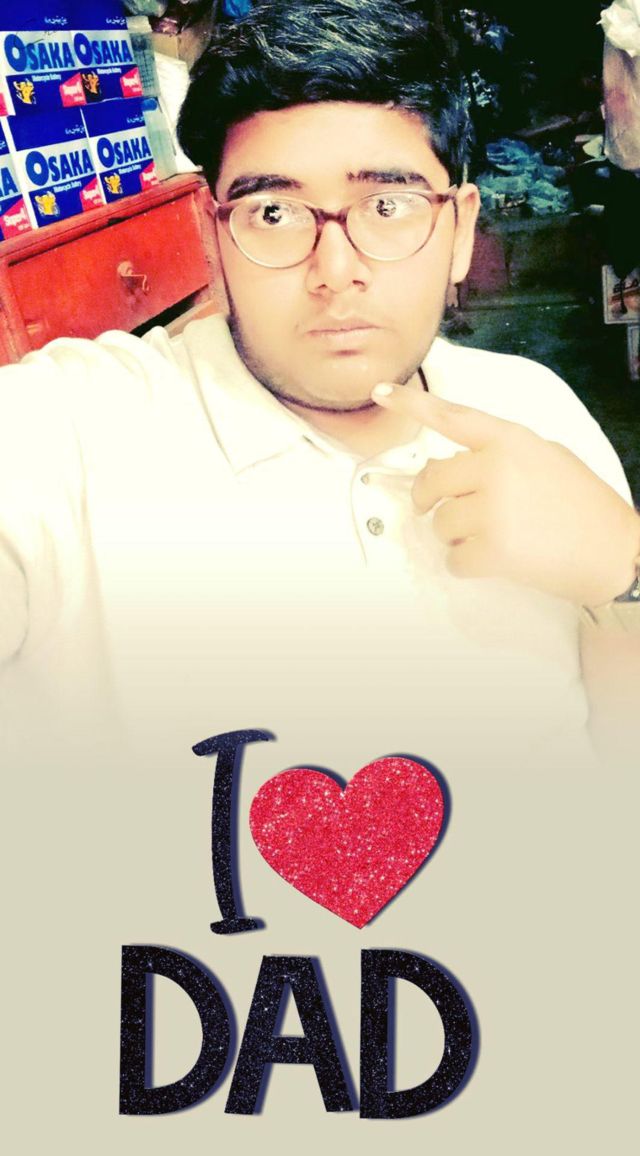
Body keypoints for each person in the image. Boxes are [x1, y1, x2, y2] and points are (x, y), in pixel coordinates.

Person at [0, 0, 638, 771]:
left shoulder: (537, 411)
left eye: (388, 205)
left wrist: (626, 570)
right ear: (212, 233)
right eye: (273, 212)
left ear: (462, 230)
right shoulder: (70, 435)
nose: (335, 272)